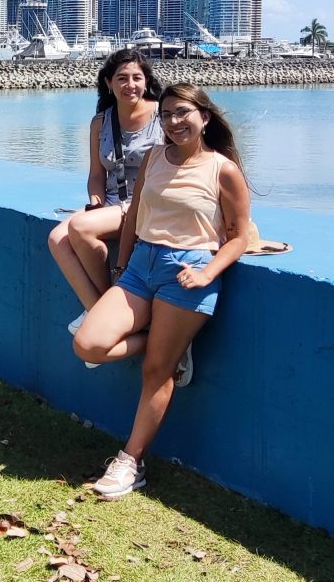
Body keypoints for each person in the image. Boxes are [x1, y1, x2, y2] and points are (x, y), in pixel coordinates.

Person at [71, 83, 252, 499]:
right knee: (88, 344)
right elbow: (133, 217)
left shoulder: (222, 169)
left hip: (189, 269)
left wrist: (208, 275)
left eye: (182, 113)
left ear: (204, 117)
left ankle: (130, 462)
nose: (173, 122)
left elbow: (239, 238)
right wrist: (121, 266)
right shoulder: (155, 156)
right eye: (166, 114)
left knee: (156, 373)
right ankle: (170, 344)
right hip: (140, 267)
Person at [48, 50, 165, 340]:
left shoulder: (163, 116)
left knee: (78, 227)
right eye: (122, 78)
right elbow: (96, 175)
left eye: (137, 78)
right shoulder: (101, 122)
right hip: (112, 205)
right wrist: (96, 201)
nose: (130, 85)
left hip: (146, 205)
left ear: (147, 81)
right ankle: (101, 310)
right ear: (109, 83)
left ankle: (102, 315)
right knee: (57, 239)